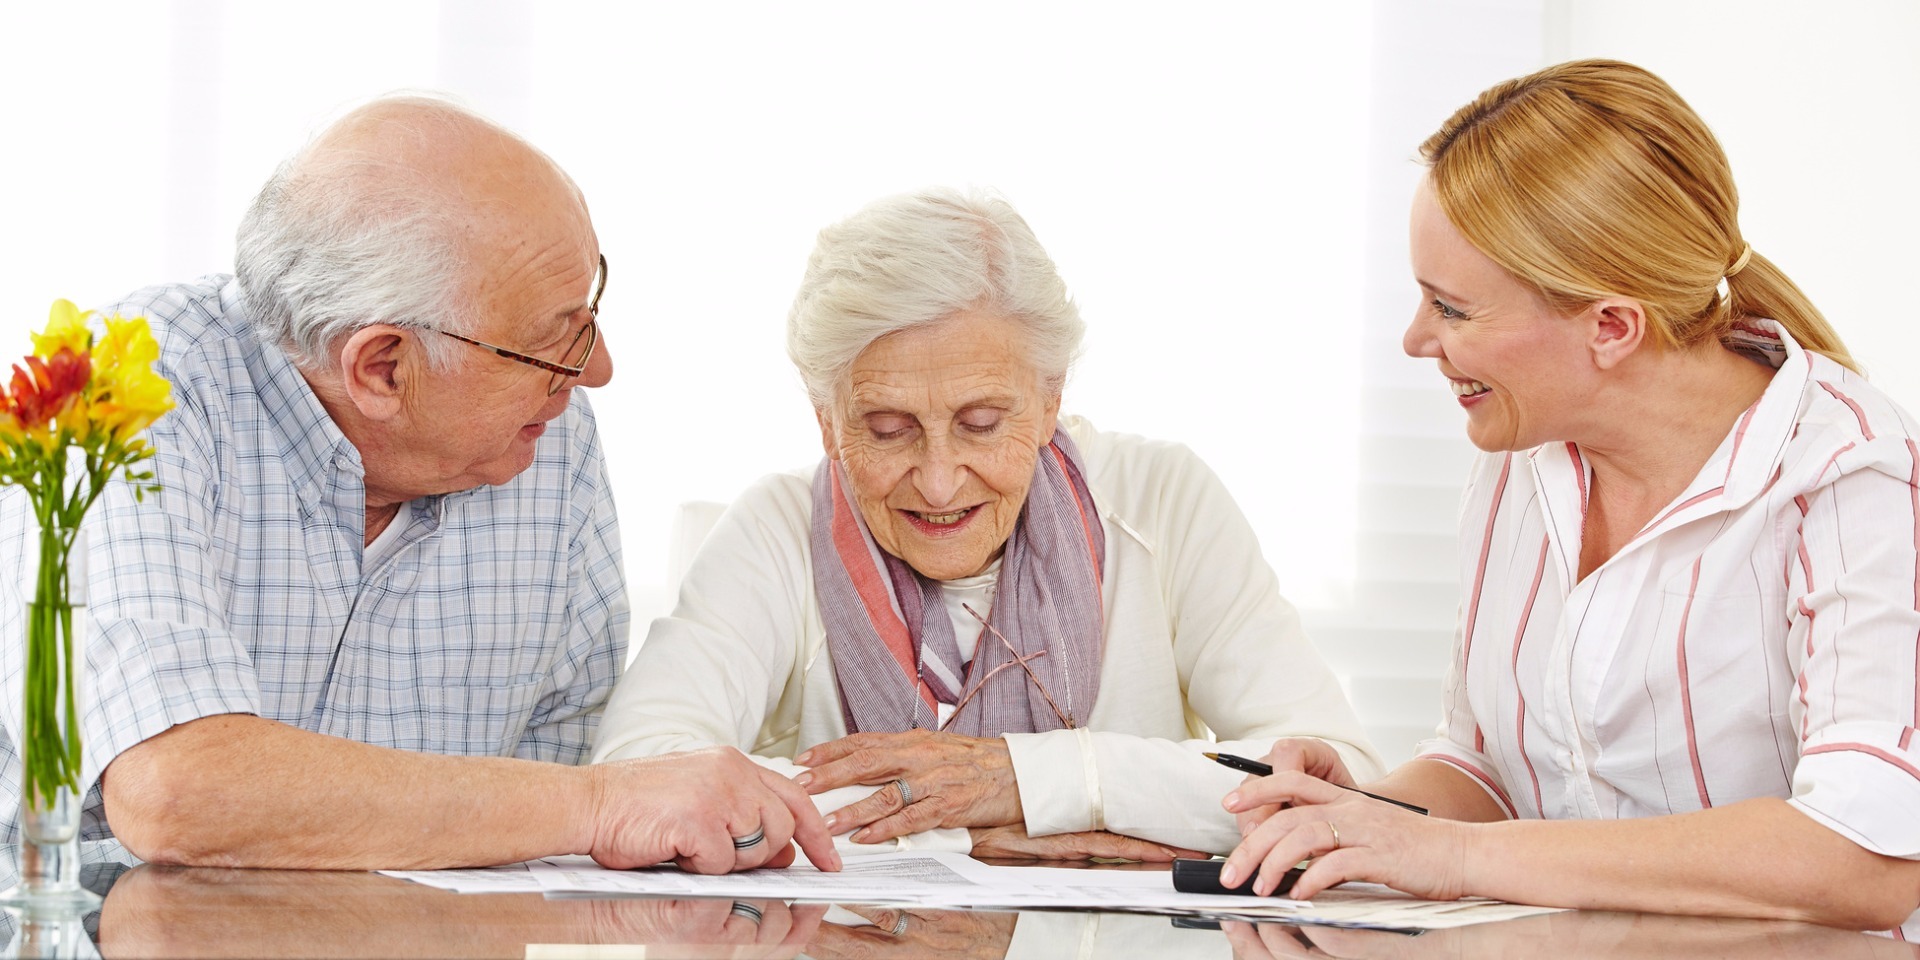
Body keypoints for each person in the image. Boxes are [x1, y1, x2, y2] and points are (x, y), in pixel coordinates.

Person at [0, 96, 837, 875]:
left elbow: (550, 814)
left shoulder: (546, 436)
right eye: (557, 341)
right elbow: (176, 792)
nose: (599, 371)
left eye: (589, 315)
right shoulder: (122, 387)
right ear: (383, 367)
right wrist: (600, 804)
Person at [1217, 59, 1920, 935]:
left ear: (1612, 326)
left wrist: (1457, 858)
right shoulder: (1523, 453)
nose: (1415, 339)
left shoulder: (1852, 476)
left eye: (1453, 309)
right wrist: (1363, 819)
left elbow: (1864, 856)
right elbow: (1486, 767)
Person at [591, 187, 1382, 860]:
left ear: (1049, 399)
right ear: (826, 420)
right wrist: (1004, 824)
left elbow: (1337, 783)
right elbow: (638, 776)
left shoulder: (1163, 501)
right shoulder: (774, 528)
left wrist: (1023, 780)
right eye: (890, 428)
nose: (938, 481)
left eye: (979, 422)